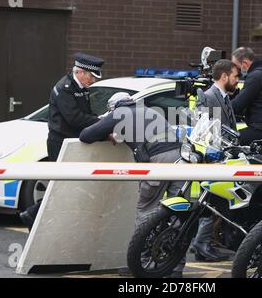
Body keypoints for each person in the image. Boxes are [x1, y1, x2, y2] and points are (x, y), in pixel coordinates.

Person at [79, 92, 184, 277]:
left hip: (158, 159)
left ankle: (141, 265)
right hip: (180, 157)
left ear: (114, 107)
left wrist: (107, 135)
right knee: (178, 214)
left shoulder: (119, 113)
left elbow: (86, 135)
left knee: (146, 211)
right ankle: (175, 268)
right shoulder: (147, 110)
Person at [19, 52, 104, 229]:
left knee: (69, 185)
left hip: (72, 142)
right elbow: (74, 118)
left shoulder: (79, 87)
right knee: (63, 185)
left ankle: (38, 215)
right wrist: (100, 122)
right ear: (80, 72)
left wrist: (98, 120)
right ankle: (32, 214)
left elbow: (86, 114)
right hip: (61, 142)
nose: (93, 81)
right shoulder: (65, 88)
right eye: (91, 77)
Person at [192, 59, 239, 262]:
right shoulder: (208, 97)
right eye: (236, 76)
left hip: (223, 158)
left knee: (217, 202)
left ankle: (204, 244)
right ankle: (201, 243)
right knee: (210, 201)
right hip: (212, 159)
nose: (238, 81)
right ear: (224, 76)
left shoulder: (224, 97)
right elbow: (202, 128)